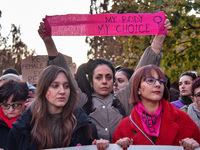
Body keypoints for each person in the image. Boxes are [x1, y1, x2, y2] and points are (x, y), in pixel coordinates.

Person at [38, 18, 172, 142]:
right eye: (98, 77)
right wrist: (48, 40)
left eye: (108, 77)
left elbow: (141, 71)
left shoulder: (122, 99)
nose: (104, 81)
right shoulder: (82, 101)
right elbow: (63, 72)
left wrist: (159, 38)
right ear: (91, 82)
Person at [8, 65, 98, 150]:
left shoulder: (86, 126)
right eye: (55, 86)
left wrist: (99, 146)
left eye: (66, 86)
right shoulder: (21, 128)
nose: (62, 91)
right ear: (43, 89)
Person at [111, 65, 200, 150]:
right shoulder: (125, 126)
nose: (158, 84)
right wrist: (120, 146)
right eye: (150, 80)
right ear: (138, 89)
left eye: (161, 81)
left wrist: (195, 145)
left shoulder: (182, 119)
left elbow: (197, 141)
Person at [0, 80, 28, 150]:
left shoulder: (34, 121)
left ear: (25, 101)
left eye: (16, 105)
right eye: (6, 105)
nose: (11, 110)